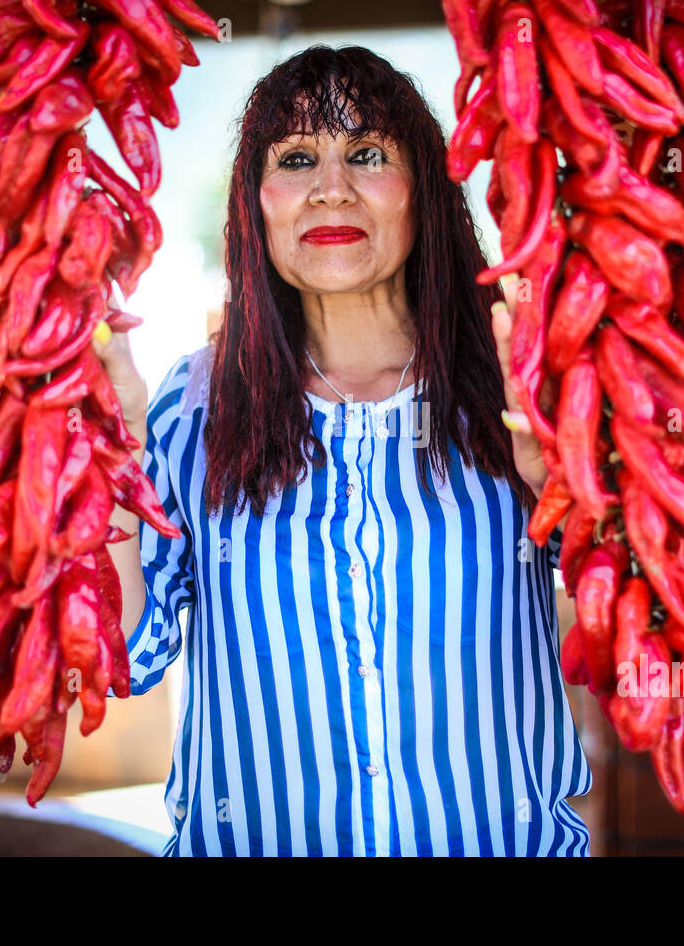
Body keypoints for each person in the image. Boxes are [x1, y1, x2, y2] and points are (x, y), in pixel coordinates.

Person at [94, 44, 591, 856]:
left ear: (423, 190)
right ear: (255, 206)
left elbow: (643, 618)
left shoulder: (517, 389)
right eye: (295, 159)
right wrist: (112, 463)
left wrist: (564, 488)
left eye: (366, 153)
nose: (331, 187)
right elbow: (122, 655)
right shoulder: (196, 406)